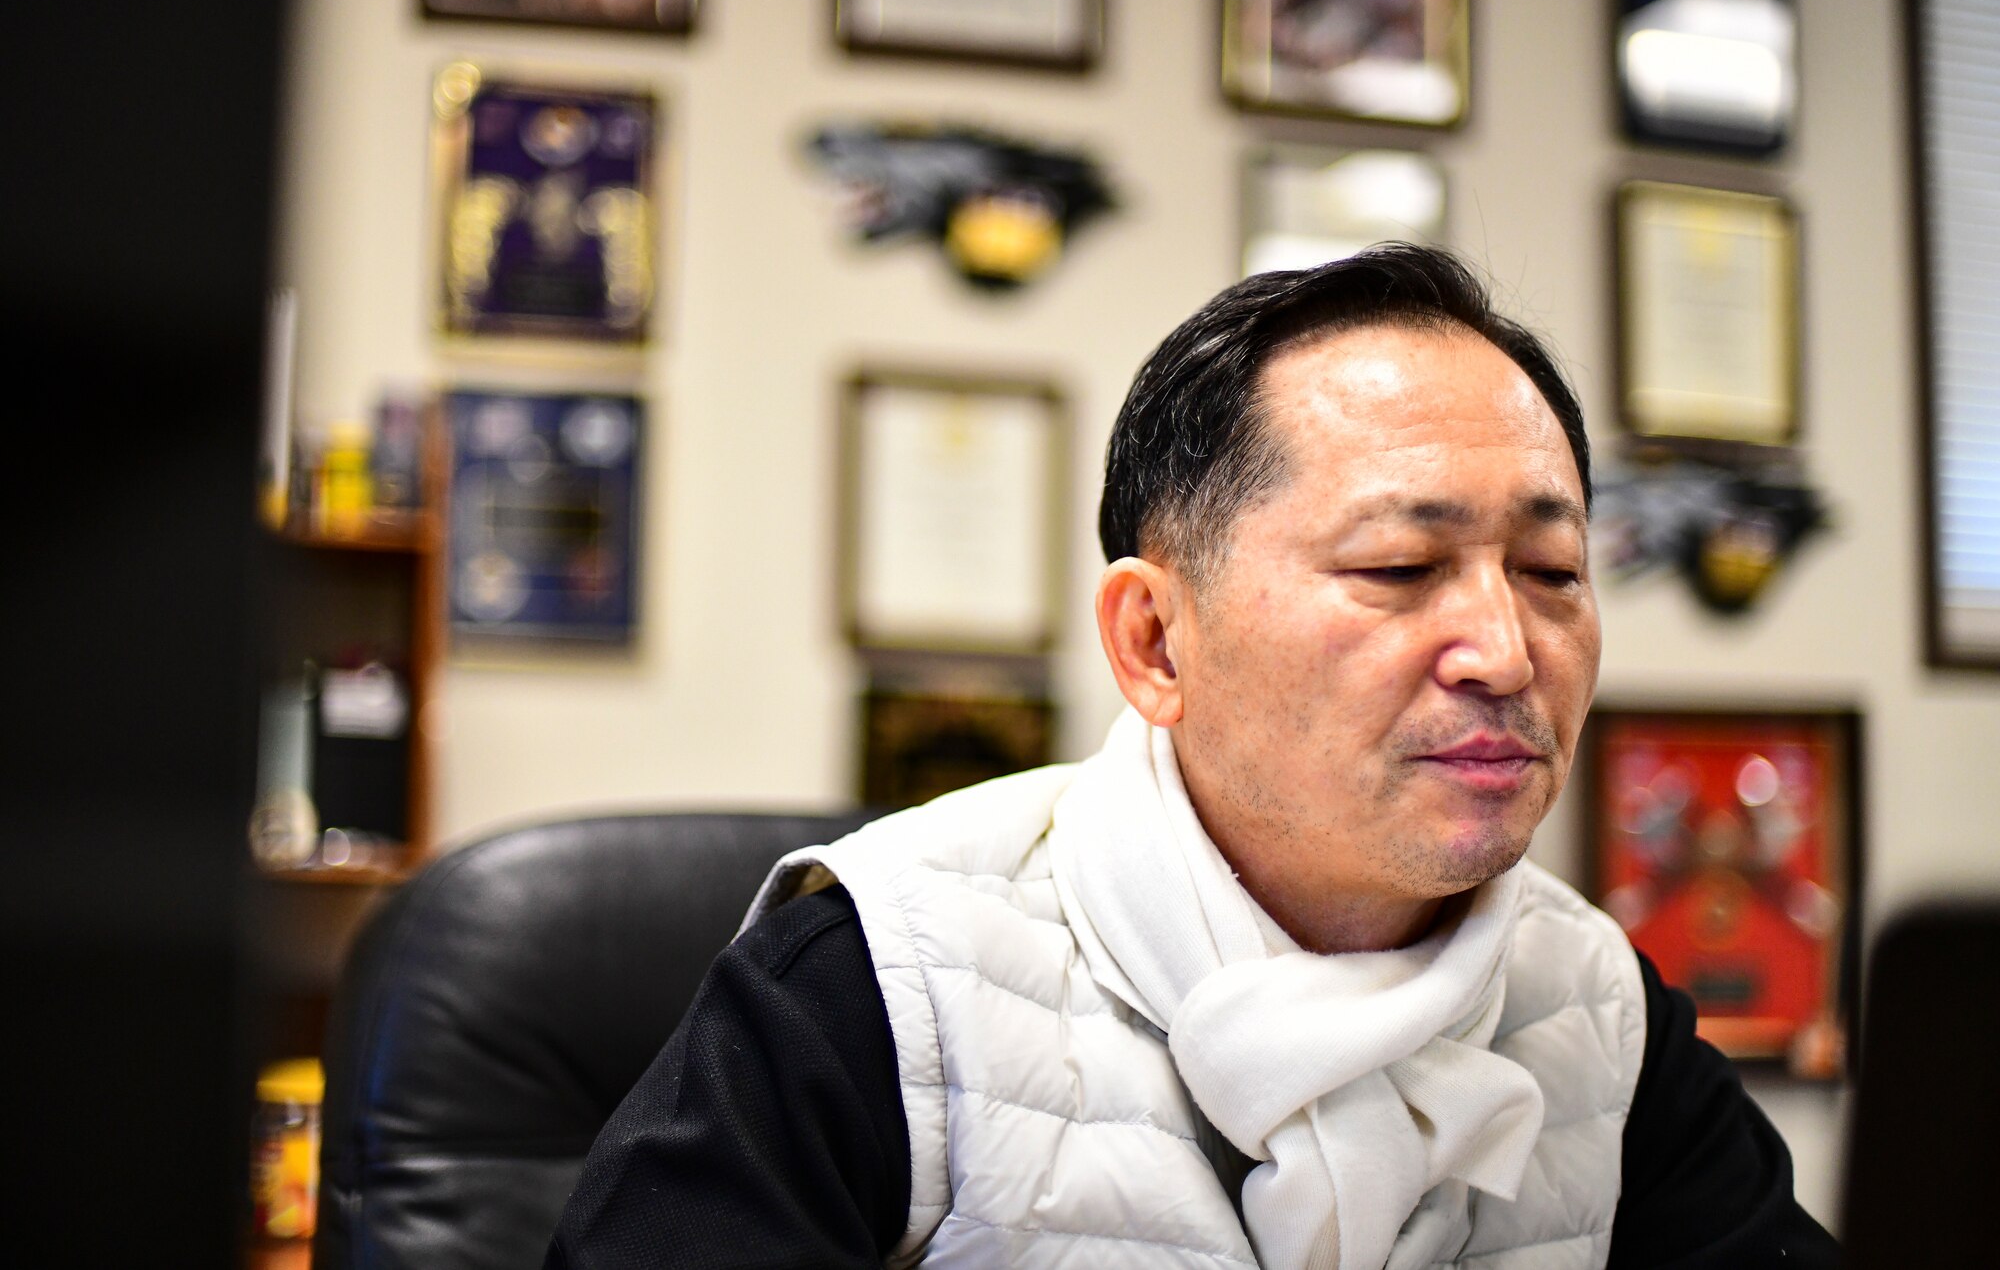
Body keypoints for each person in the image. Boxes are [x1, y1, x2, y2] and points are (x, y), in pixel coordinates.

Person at [546, 245, 1840, 1269]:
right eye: (1400, 567)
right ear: (1156, 638)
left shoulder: (1595, 1009)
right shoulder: (883, 982)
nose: (1506, 649)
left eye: (1552, 571)